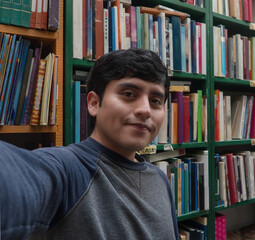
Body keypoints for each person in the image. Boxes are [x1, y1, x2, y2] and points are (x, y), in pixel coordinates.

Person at [0, 48, 179, 240]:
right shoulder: (68, 169)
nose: (145, 110)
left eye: (155, 100)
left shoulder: (160, 179)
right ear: (94, 103)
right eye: (128, 94)